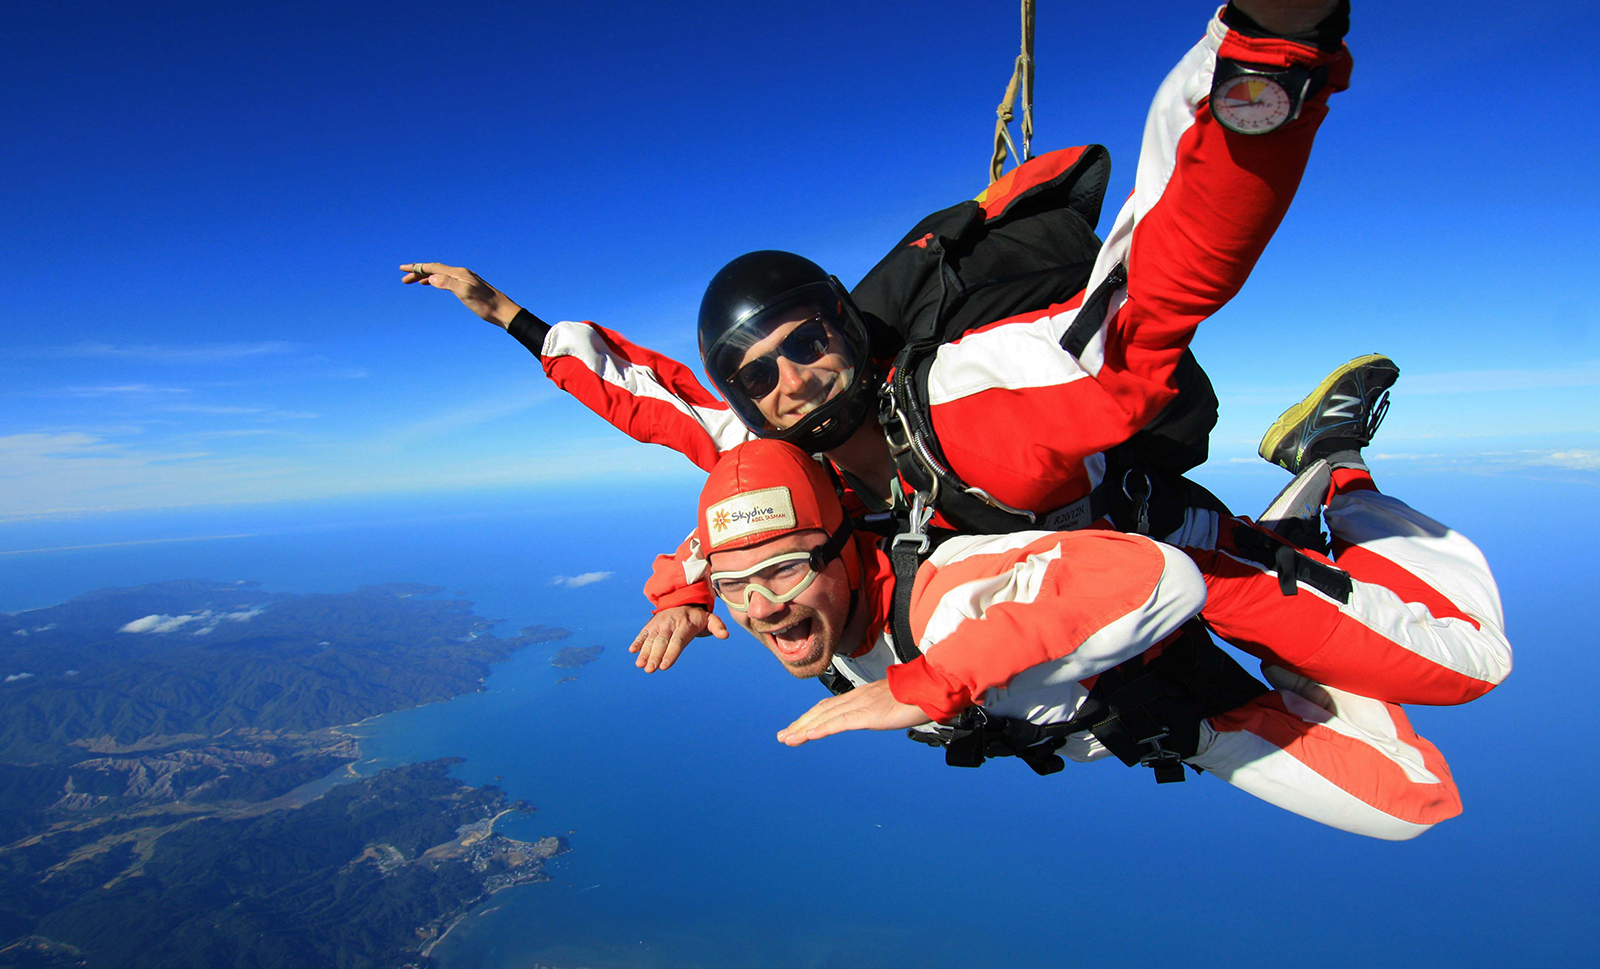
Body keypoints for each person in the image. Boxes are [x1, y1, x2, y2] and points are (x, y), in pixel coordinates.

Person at [401, 0, 1371, 675]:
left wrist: (1269, 58)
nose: (789, 379)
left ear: (844, 329)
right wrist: (508, 318)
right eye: (757, 371)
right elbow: (643, 399)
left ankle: (1326, 465)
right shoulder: (759, 451)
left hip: (1125, 524)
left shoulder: (953, 386)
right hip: (1050, 601)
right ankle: (1323, 468)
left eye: (806, 344)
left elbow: (1144, 304)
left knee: (1369, 638)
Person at [693, 370, 1504, 841]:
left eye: (786, 570)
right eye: (736, 585)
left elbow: (1156, 582)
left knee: (1472, 663)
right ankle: (1301, 550)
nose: (761, 606)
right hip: (1179, 720)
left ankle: (1341, 471)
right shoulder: (792, 588)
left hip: (1194, 610)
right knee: (1413, 800)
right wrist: (679, 592)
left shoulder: (946, 599)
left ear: (840, 547)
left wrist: (924, 684)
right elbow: (681, 420)